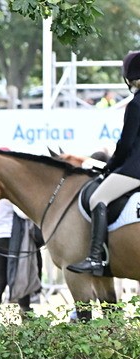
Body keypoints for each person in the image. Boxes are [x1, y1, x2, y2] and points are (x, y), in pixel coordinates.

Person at [69, 50, 140, 276]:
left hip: (135, 169)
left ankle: (95, 258)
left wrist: (111, 166)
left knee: (99, 197)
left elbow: (126, 144)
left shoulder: (136, 104)